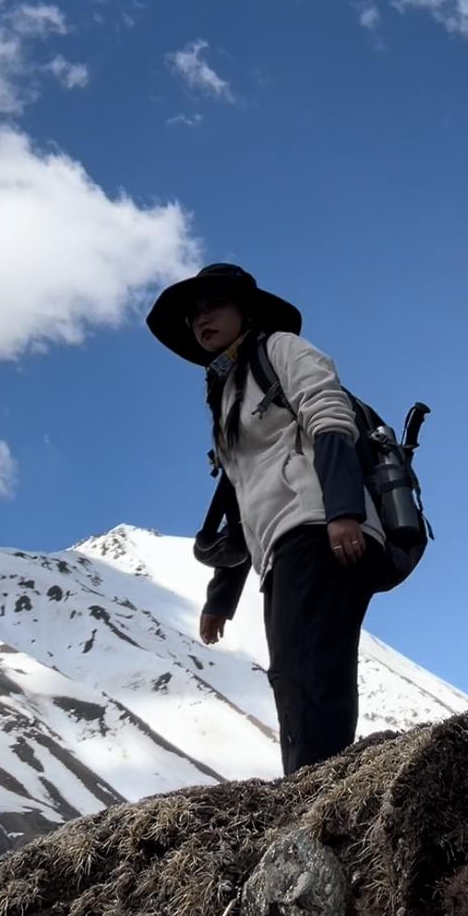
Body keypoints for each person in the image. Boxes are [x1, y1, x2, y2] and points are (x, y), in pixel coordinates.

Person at [147, 263, 386, 775]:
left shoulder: (281, 350)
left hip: (318, 525)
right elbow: (240, 497)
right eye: (193, 316)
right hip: (280, 545)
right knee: (306, 667)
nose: (200, 320)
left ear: (246, 310)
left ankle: (311, 791)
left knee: (302, 668)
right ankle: (324, 786)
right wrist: (221, 598)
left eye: (213, 307)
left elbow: (329, 415)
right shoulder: (226, 393)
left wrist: (343, 511)